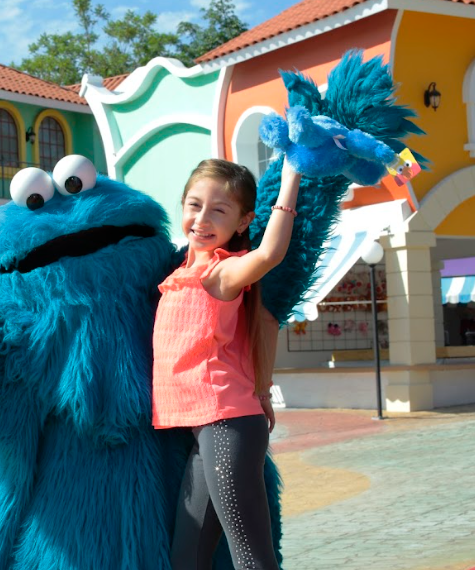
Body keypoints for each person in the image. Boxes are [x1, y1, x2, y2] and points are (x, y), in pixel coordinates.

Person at [152, 157, 302, 570]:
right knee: (187, 558)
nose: (201, 218)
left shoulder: (221, 273)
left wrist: (292, 175)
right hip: (209, 429)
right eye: (193, 205)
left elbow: (270, 253)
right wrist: (262, 386)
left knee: (252, 558)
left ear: (242, 222)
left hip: (227, 424)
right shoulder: (179, 270)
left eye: (218, 210)